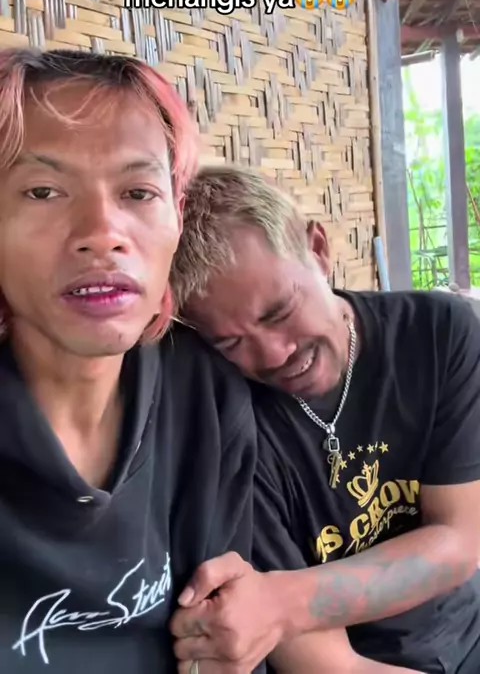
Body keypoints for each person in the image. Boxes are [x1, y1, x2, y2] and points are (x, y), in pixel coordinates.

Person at [0, 49, 265, 674]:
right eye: (43, 191)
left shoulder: (205, 392)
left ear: (177, 215)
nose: (102, 232)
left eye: (139, 192)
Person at [169, 164, 480, 674]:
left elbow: (459, 542)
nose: (273, 354)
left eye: (278, 312)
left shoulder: (436, 334)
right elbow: (331, 666)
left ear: (317, 249)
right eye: (230, 342)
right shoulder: (231, 427)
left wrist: (277, 603)